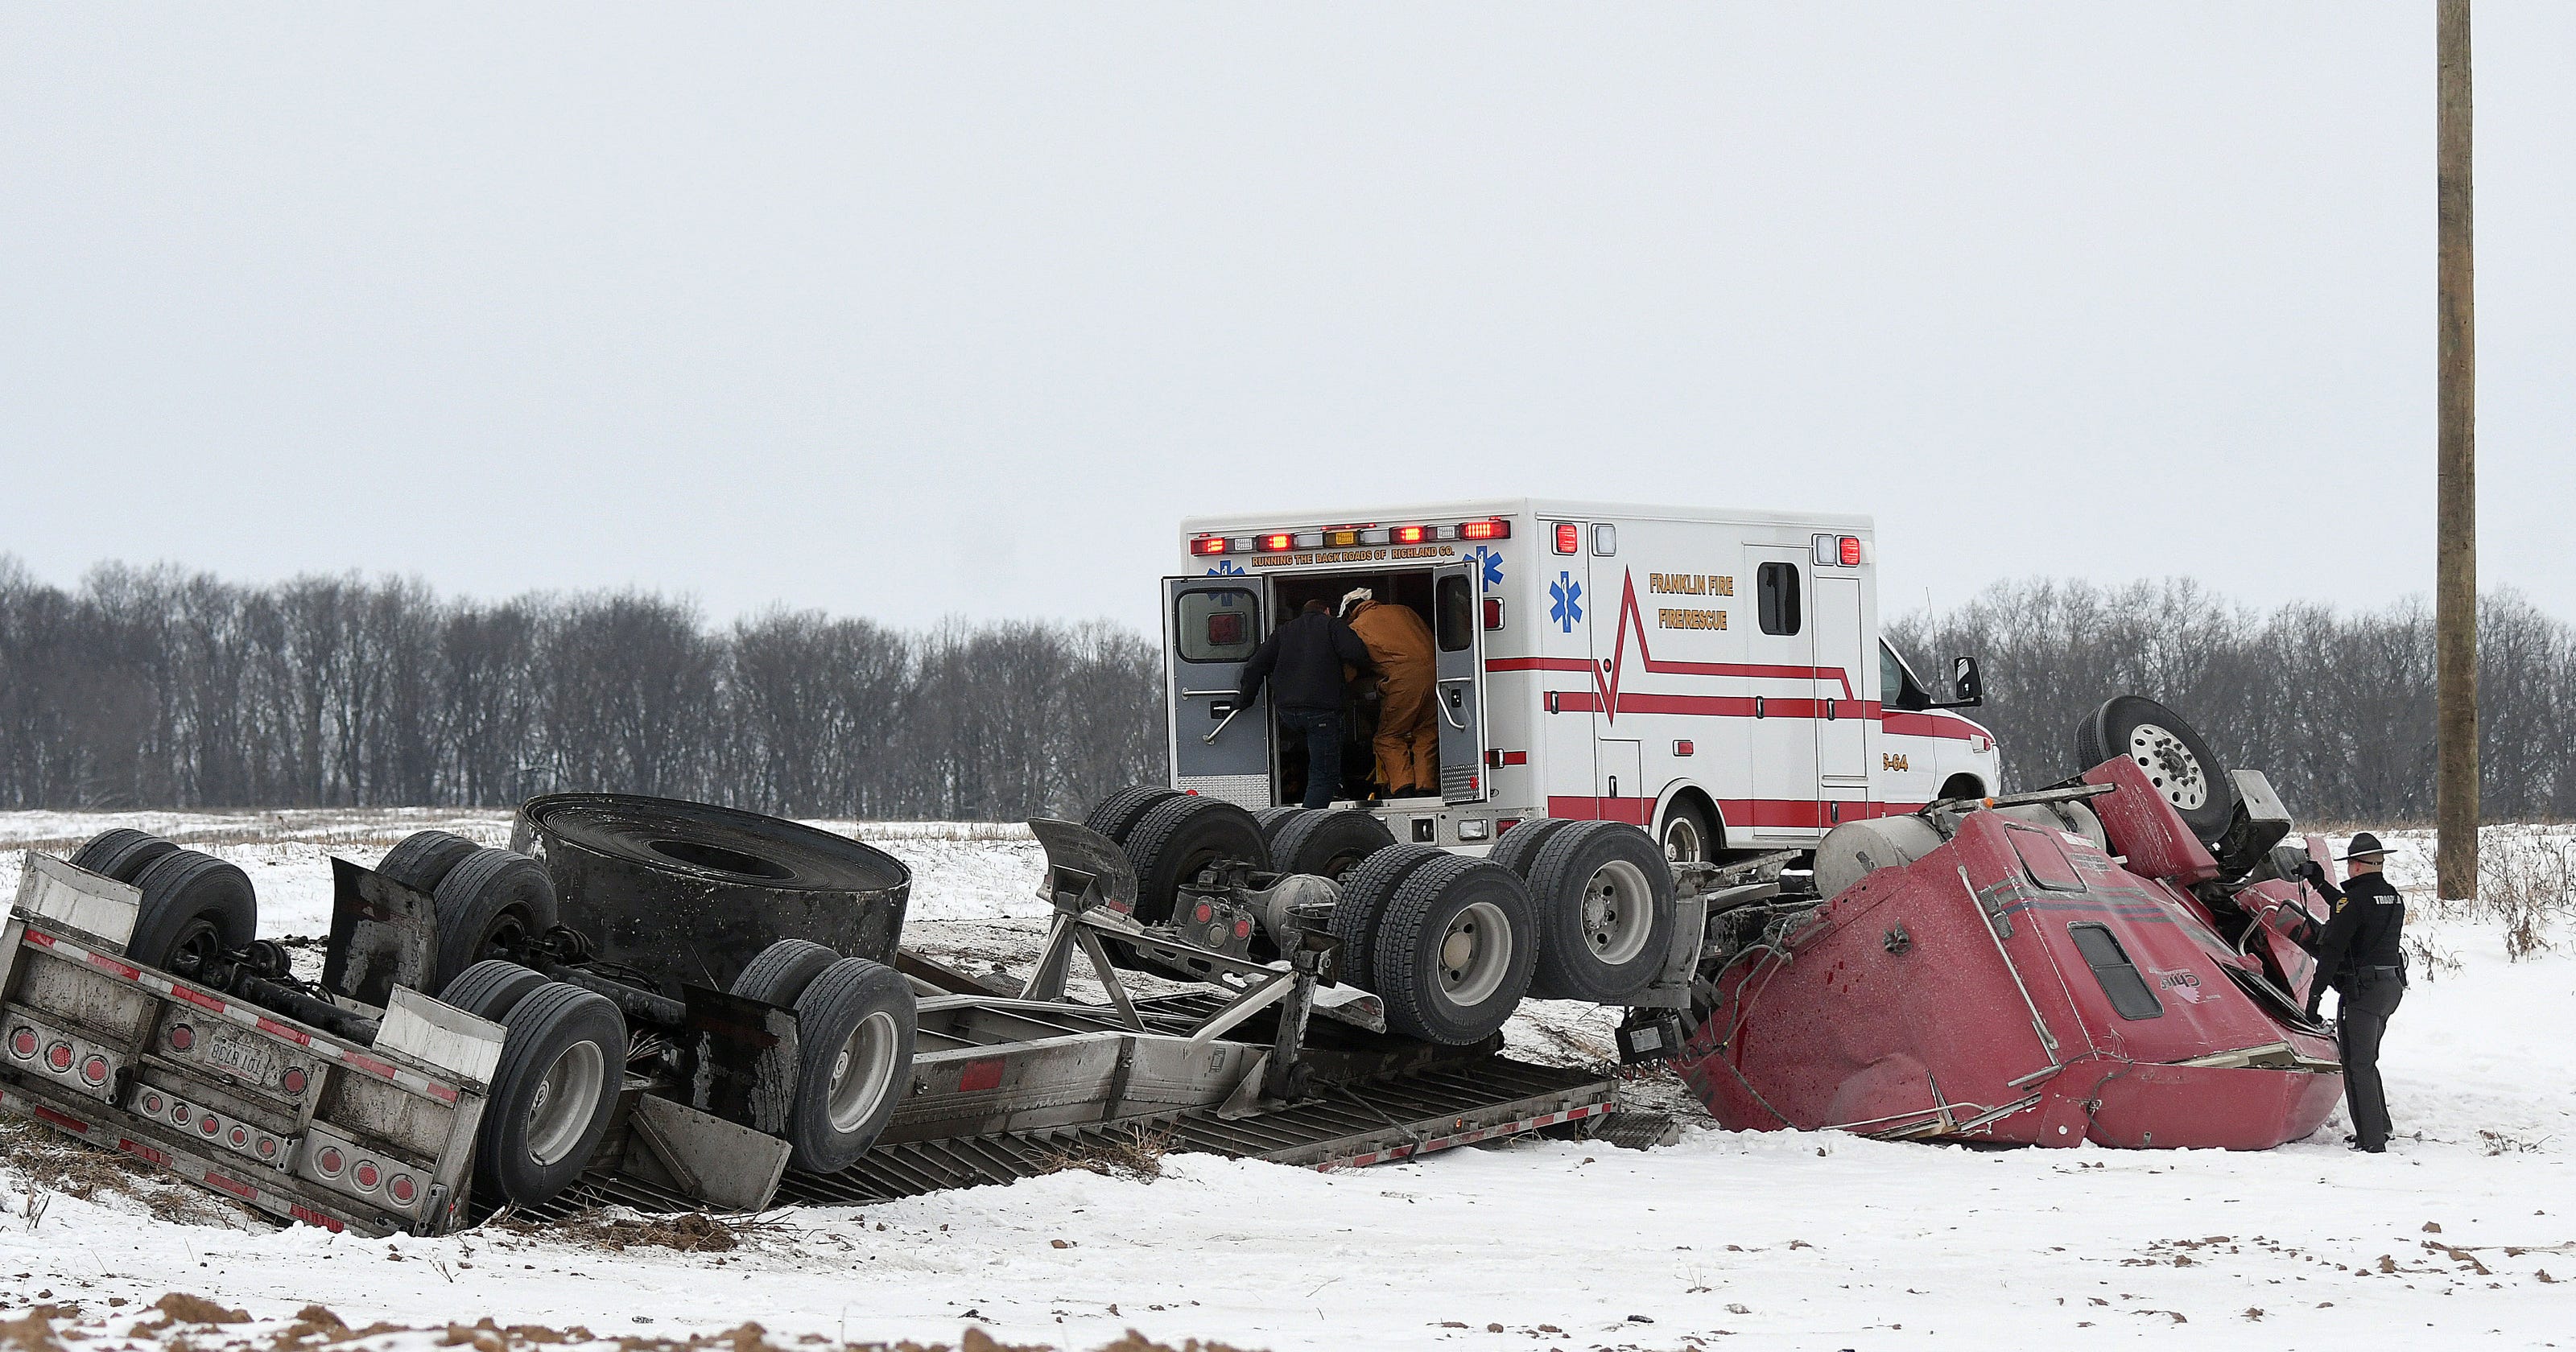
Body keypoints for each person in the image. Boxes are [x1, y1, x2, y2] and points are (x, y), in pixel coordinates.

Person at [2297, 832, 2407, 1152]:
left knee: (2356, 1064)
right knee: (2367, 1060)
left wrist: (2314, 998)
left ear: (2356, 866)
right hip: (2390, 988)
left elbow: (2332, 952)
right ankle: (2381, 1127)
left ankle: (2371, 1140)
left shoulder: (2355, 902)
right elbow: (2354, 908)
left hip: (2363, 992)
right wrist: (2320, 884)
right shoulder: (2393, 897)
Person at [1237, 599, 1376, 809]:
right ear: (1327, 611)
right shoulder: (1332, 625)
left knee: (1309, 756)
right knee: (1324, 774)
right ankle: (1309, 820)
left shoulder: (1283, 631)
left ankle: (1330, 789)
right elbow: (1357, 654)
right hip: (1321, 712)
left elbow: (1255, 666)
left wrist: (1244, 700)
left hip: (1288, 714)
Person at [1342, 587, 1440, 799]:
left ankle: (1403, 788)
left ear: (1350, 610)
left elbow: (1350, 672)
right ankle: (1426, 787)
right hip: (1436, 677)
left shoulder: (1356, 627)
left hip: (1405, 683)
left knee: (1388, 738)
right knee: (1426, 732)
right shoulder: (1404, 611)